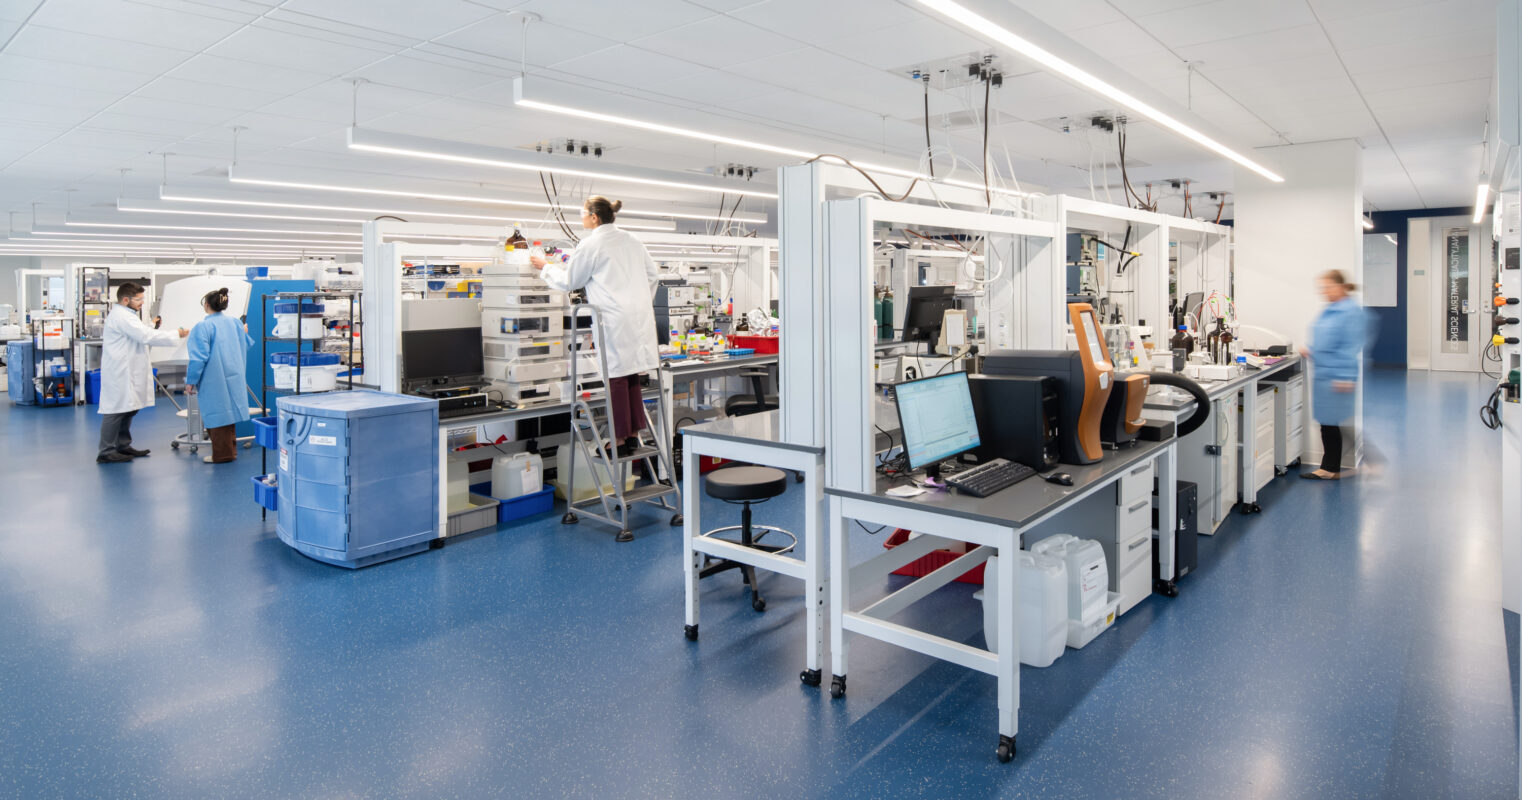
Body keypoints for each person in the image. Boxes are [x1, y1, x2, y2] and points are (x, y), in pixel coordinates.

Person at [530, 196, 660, 456]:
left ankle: (618, 439)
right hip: (638, 317)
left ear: (594, 217)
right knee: (632, 374)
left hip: (612, 317)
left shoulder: (591, 244)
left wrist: (546, 268)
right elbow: (653, 275)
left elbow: (571, 280)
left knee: (616, 376)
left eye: (583, 213)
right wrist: (638, 301)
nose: (581, 217)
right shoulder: (633, 241)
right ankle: (633, 435)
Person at [98, 282, 187, 464]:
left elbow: (140, 332)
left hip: (128, 369)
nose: (142, 303)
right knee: (115, 410)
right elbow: (145, 336)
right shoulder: (122, 316)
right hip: (120, 371)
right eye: (138, 299)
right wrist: (176, 334)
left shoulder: (128, 316)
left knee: (129, 408)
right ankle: (106, 451)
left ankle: (122, 445)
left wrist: (151, 325)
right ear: (125, 300)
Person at [1299, 269, 1364, 480]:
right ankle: (1331, 467)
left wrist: (1345, 376)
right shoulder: (1332, 309)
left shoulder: (1349, 311)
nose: (1324, 291)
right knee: (1329, 422)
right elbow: (1326, 338)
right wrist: (1311, 350)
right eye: (1323, 288)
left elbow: (1350, 346)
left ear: (1340, 286)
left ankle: (1331, 468)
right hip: (1325, 373)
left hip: (1336, 375)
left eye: (1328, 287)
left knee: (1331, 423)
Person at [186, 287, 254, 464]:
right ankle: (230, 451)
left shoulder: (203, 327)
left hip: (213, 377)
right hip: (234, 374)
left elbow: (198, 358)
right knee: (229, 414)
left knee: (217, 415)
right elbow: (246, 344)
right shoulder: (235, 323)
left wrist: (191, 380)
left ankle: (222, 455)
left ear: (206, 305)